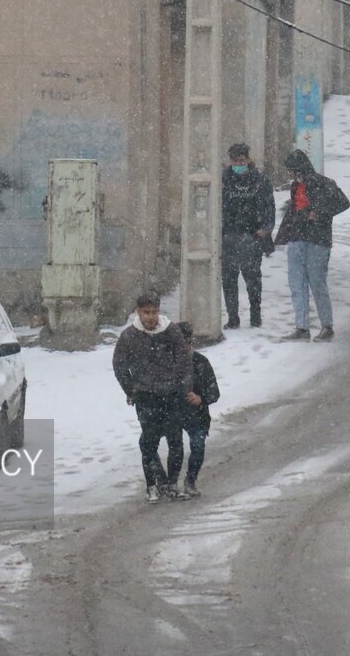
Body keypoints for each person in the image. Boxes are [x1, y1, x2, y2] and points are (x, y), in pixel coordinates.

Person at [112, 292, 196, 502]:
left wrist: (179, 385)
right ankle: (152, 485)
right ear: (138, 313)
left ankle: (172, 483)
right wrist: (130, 389)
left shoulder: (171, 331)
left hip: (171, 396)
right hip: (145, 396)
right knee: (149, 443)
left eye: (154, 312)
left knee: (175, 441)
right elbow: (119, 365)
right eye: (146, 312)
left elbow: (184, 362)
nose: (150, 317)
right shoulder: (129, 336)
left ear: (159, 311)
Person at [274, 149, 350, 342]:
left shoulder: (323, 183)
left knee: (317, 284)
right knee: (297, 284)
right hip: (298, 238)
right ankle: (302, 327)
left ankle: (326, 326)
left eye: (291, 170)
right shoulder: (296, 187)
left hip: (317, 240)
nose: (289, 174)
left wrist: (319, 213)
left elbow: (343, 202)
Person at [221, 142, 275, 329]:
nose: (238, 164)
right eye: (235, 161)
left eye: (241, 160)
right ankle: (233, 317)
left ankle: (255, 315)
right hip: (229, 236)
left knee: (253, 280)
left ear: (248, 159)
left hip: (252, 236)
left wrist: (266, 228)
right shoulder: (224, 180)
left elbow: (269, 206)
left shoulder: (259, 180)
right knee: (229, 280)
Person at [167, 322, 220, 498]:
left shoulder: (201, 362)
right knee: (175, 448)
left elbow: (214, 391)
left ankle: (190, 480)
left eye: (187, 343)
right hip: (174, 412)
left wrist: (201, 399)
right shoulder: (166, 364)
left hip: (197, 414)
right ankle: (172, 483)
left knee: (198, 446)